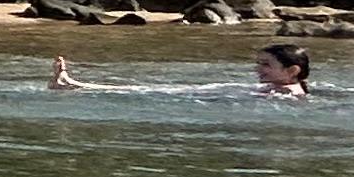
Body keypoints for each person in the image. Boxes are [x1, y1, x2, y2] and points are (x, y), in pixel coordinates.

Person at [51, 44, 314, 98]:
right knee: (157, 91)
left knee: (158, 92)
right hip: (227, 95)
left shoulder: (287, 96)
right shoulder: (279, 90)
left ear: (292, 71)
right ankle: (73, 84)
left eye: (266, 65)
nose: (258, 69)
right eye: (258, 63)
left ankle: (73, 85)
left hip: (224, 98)